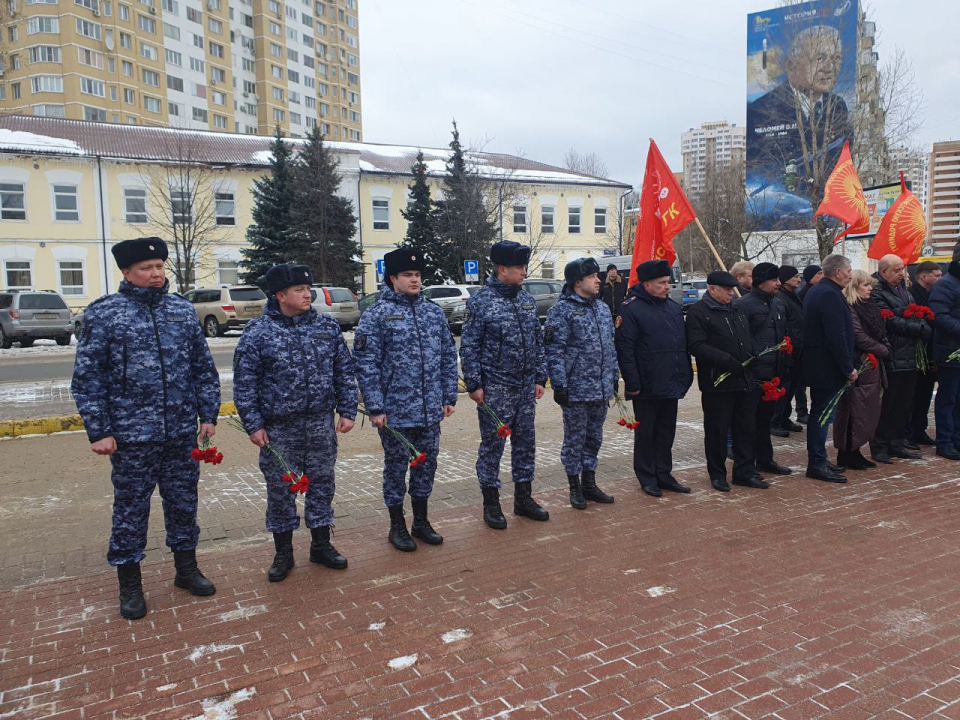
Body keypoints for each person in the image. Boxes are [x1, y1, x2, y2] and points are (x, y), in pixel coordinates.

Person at [72, 237, 221, 620]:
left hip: (179, 433)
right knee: (131, 510)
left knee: (183, 503)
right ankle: (130, 585)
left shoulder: (181, 311)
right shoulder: (104, 314)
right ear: (126, 272)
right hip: (131, 436)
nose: (156, 274)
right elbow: (87, 379)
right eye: (146, 269)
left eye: (159, 267)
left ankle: (186, 570)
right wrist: (98, 430)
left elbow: (202, 368)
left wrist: (208, 415)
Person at [233, 264, 358, 582]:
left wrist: (347, 410)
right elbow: (245, 383)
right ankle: (283, 554)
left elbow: (343, 370)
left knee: (322, 485)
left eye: (308, 288)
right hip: (278, 428)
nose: (307, 294)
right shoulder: (258, 332)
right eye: (300, 290)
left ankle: (321, 546)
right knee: (281, 491)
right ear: (280, 295)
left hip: (319, 423)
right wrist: (253, 424)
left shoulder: (326, 327)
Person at [353, 248, 459, 551]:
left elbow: (447, 356)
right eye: (408, 275)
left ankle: (421, 521)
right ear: (392, 278)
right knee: (396, 468)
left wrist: (448, 394)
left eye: (417, 275)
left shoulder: (433, 312)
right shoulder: (376, 315)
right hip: (395, 412)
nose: (414, 280)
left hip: (429, 409)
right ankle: (396, 525)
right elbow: (365, 363)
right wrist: (374, 406)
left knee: (427, 466)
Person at [461, 240, 550, 528]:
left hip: (525, 387)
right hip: (496, 387)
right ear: (502, 269)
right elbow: (470, 345)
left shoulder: (526, 300)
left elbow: (537, 341)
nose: (524, 272)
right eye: (519, 267)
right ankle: (491, 504)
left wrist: (539, 376)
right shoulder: (481, 301)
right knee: (493, 446)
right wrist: (474, 384)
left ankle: (523, 499)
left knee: (526, 443)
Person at [615, 259, 693, 497]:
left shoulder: (671, 307)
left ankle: (664, 474)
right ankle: (647, 476)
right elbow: (625, 350)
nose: (667, 286)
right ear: (647, 284)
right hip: (646, 385)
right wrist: (633, 383)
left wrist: (685, 375)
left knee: (666, 432)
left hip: (671, 381)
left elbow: (681, 346)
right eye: (662, 283)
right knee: (646, 433)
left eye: (668, 282)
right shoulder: (631, 309)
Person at [545, 257, 617, 508]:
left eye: (598, 276)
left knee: (594, 438)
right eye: (592, 277)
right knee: (575, 439)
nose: (598, 280)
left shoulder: (602, 308)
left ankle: (590, 482)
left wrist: (614, 376)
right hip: (576, 389)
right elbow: (554, 351)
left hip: (600, 388)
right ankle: (574, 486)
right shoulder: (562, 311)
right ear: (578, 282)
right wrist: (559, 385)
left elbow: (610, 346)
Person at [686, 271, 764, 491]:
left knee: (745, 428)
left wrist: (753, 356)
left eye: (732, 290)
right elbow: (697, 346)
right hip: (718, 382)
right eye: (727, 290)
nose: (731, 294)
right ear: (712, 290)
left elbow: (747, 338)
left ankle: (744, 471)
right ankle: (717, 474)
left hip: (744, 379)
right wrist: (727, 360)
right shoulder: (699, 313)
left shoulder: (738, 309)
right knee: (717, 431)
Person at [870, 254, 932, 463]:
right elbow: (888, 320)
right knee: (889, 403)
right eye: (896, 270)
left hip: (911, 355)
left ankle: (897, 443)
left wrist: (921, 324)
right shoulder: (877, 293)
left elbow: (916, 315)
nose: (901, 274)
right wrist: (918, 328)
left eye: (902, 269)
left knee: (904, 403)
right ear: (883, 272)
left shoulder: (905, 291)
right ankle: (879, 446)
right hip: (893, 354)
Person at [736, 262, 793, 477]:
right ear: (761, 281)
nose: (779, 283)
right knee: (747, 423)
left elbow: (783, 335)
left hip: (773, 374)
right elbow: (741, 340)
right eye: (774, 279)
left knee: (764, 421)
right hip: (752, 375)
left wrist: (784, 363)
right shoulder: (744, 305)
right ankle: (745, 467)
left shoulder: (779, 304)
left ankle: (765, 460)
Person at [802, 253, 855, 483]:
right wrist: (847, 367)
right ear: (838, 272)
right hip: (826, 367)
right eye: (849, 270)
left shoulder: (821, 290)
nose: (851, 274)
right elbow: (836, 336)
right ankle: (816, 463)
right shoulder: (828, 294)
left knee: (821, 414)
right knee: (822, 415)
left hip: (821, 365)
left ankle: (820, 459)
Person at [833, 270, 888, 470]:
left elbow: (878, 332)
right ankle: (847, 453)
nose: (870, 289)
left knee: (865, 409)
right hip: (859, 362)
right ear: (854, 287)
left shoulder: (868, 306)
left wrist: (883, 345)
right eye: (865, 285)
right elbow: (858, 335)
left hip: (870, 364)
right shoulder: (850, 307)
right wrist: (882, 349)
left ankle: (856, 451)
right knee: (853, 409)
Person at [907, 261, 943, 446]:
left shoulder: (934, 294)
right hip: (916, 350)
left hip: (931, 351)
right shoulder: (912, 295)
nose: (939, 278)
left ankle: (919, 429)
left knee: (925, 393)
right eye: (936, 275)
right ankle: (910, 431)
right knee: (914, 394)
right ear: (923, 276)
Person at [929, 257, 960, 460]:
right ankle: (945, 442)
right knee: (948, 398)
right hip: (949, 351)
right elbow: (939, 316)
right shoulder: (945, 284)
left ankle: (957, 439)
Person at [771, 265, 804, 435]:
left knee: (791, 387)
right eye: (795, 277)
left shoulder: (793, 296)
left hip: (797, 348)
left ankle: (784, 417)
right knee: (783, 387)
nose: (799, 280)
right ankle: (775, 421)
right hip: (787, 350)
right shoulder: (780, 299)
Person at [794, 263, 822, 423]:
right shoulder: (805, 294)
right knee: (801, 383)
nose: (822, 277)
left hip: (811, 342)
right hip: (804, 341)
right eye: (818, 274)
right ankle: (801, 410)